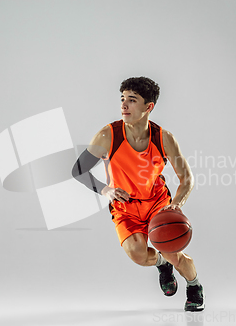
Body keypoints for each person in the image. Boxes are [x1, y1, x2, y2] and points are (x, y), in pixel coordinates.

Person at [72, 76, 204, 311]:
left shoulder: (163, 138)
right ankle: (162, 265)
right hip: (125, 206)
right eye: (122, 99)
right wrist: (106, 189)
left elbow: (187, 178)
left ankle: (194, 286)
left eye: (132, 100)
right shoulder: (108, 135)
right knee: (137, 254)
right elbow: (78, 170)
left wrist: (176, 204)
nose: (124, 105)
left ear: (148, 107)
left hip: (157, 204)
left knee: (175, 254)